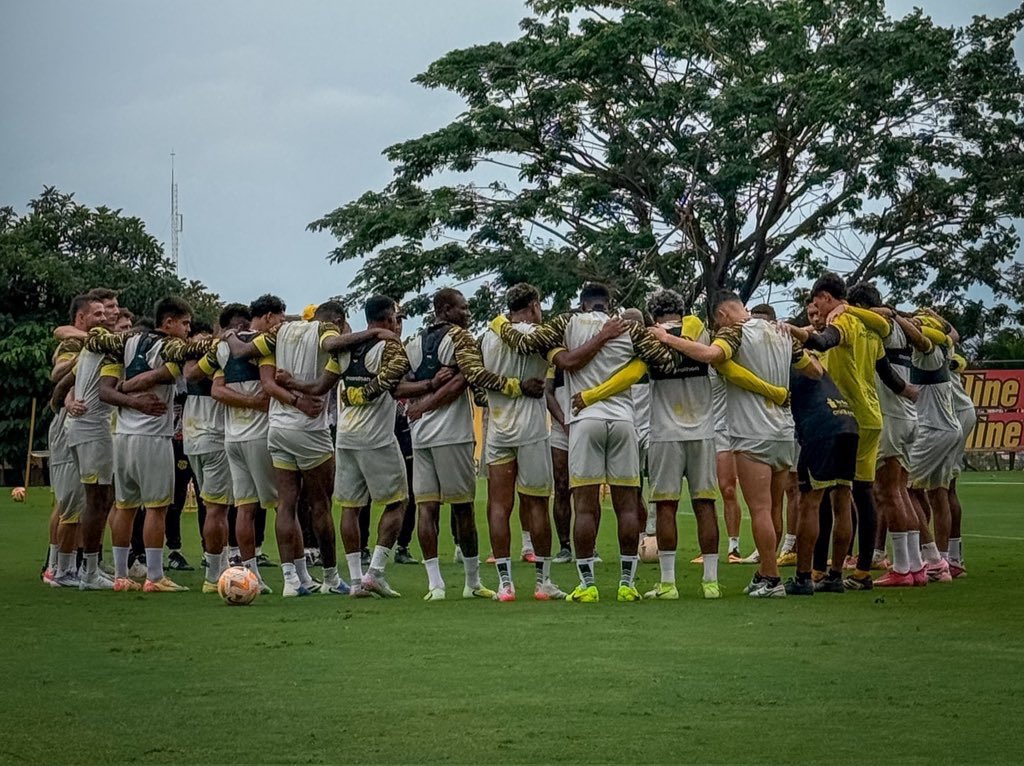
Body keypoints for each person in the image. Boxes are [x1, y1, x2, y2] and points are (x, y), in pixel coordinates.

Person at [492, 283, 676, 603]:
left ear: (582, 304)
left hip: (584, 419)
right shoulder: (629, 326)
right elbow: (666, 361)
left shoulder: (567, 323)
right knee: (627, 505)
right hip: (623, 420)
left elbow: (533, 345)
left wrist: (498, 323)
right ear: (610, 303)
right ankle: (627, 585)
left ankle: (587, 584)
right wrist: (636, 358)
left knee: (585, 506)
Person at [655, 291, 820, 598]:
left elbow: (710, 355)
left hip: (752, 430)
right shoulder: (780, 331)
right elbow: (814, 370)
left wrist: (667, 339)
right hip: (784, 430)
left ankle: (771, 578)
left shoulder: (735, 331)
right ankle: (764, 572)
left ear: (722, 316)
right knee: (774, 508)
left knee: (758, 509)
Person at [400, 288, 544, 601]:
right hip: (452, 434)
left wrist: (421, 397)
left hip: (419, 434)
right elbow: (470, 377)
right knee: (463, 507)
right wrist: (430, 399)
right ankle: (472, 582)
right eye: (463, 308)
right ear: (445, 309)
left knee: (426, 506)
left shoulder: (411, 342)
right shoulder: (461, 338)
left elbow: (396, 385)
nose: (468, 313)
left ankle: (435, 584)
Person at [483, 284, 619, 601]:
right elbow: (568, 360)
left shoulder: (490, 334)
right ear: (533, 305)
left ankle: (505, 585)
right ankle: (543, 582)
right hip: (530, 429)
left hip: (498, 428)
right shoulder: (541, 335)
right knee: (536, 503)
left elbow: (479, 375)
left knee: (499, 505)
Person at [224, 301, 364, 596]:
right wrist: (375, 333)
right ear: (337, 319)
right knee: (320, 505)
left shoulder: (281, 331)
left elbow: (241, 352)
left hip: (277, 427)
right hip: (309, 430)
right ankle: (329, 577)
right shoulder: (324, 329)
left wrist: (230, 336)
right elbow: (335, 342)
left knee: (285, 504)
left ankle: (290, 580)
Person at [276, 295, 411, 598]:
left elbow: (319, 388)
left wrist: (291, 382)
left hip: (346, 438)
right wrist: (365, 393)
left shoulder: (346, 349)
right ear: (388, 319)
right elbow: (396, 374)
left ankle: (354, 580)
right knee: (397, 502)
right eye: (396, 318)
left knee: (350, 507)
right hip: (377, 438)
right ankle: (374, 572)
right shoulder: (389, 345)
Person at [90, 296, 209, 592]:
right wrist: (136, 399)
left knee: (124, 506)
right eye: (184, 323)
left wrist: (127, 390)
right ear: (168, 323)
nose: (187, 330)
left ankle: (120, 575)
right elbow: (169, 373)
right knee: (156, 507)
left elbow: (105, 391)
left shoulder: (123, 344)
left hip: (123, 437)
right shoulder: (168, 346)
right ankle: (154, 577)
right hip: (153, 437)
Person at [804, 273, 912, 590]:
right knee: (862, 493)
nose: (816, 309)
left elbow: (825, 341)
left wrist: (797, 335)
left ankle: (823, 571)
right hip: (870, 416)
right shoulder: (871, 330)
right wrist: (909, 391)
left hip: (844, 417)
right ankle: (862, 572)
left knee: (830, 495)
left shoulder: (846, 321)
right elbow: (887, 373)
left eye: (816, 303)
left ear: (825, 297)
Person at [198, 294, 284, 592]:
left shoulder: (222, 347)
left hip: (232, 437)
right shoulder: (265, 345)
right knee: (282, 505)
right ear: (269, 317)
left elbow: (216, 390)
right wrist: (257, 402)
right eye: (280, 318)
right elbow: (271, 384)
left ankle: (252, 577)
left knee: (244, 508)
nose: (282, 324)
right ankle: (293, 575)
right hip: (260, 436)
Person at [845, 284, 926, 587]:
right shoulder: (901, 329)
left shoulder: (885, 326)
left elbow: (876, 316)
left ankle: (903, 568)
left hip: (891, 416)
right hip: (906, 415)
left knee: (887, 493)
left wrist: (843, 308)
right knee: (900, 491)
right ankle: (915, 565)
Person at [774, 313, 858, 596]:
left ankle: (803, 577)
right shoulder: (810, 355)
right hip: (847, 421)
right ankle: (835, 576)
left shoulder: (787, 362)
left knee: (809, 501)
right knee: (842, 499)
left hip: (820, 428)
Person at [45, 295, 110, 588]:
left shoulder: (90, 340)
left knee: (78, 498)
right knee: (70, 497)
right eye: (98, 313)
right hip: (70, 422)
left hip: (80, 420)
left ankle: (64, 565)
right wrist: (79, 362)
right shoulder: (75, 343)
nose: (105, 317)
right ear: (81, 317)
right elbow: (59, 374)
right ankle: (58, 567)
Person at [184, 307, 249, 592]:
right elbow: (198, 377)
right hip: (213, 435)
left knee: (213, 505)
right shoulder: (221, 351)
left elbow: (190, 372)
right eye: (239, 326)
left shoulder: (197, 350)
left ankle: (219, 566)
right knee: (217, 508)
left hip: (193, 435)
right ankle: (214, 576)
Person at [897, 312, 962, 582]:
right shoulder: (945, 348)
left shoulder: (929, 351)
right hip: (948, 429)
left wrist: (895, 317)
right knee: (937, 493)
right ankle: (946, 560)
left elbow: (921, 339)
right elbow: (952, 334)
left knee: (904, 489)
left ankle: (932, 557)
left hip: (932, 429)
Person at [948, 353, 977, 577]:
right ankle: (953, 557)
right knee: (945, 488)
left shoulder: (924, 343)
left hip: (951, 416)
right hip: (958, 413)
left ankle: (942, 559)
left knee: (936, 489)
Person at [545, 365, 574, 563]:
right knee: (561, 485)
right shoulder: (556, 357)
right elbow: (547, 392)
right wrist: (564, 421)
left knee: (586, 488)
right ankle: (565, 546)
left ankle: (590, 547)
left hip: (586, 424)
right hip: (560, 431)